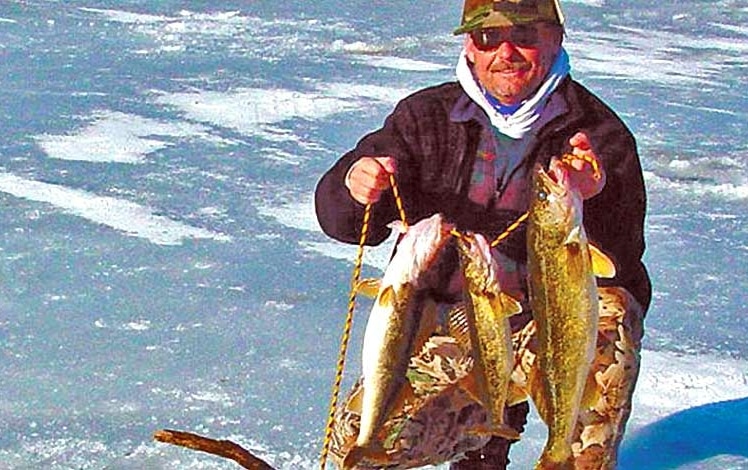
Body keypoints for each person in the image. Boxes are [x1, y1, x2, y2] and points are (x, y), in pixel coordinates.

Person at [315, 0, 651, 468]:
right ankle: (484, 434)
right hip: (449, 326)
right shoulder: (424, 117)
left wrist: (595, 195)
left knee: (613, 311)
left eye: (525, 36)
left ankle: (571, 460)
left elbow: (623, 257)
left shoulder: (597, 134)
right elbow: (343, 221)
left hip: (546, 331)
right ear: (470, 47)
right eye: (488, 38)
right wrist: (355, 185)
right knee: (360, 447)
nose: (505, 51)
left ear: (556, 39)